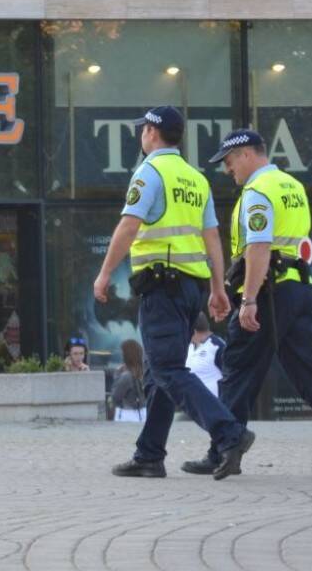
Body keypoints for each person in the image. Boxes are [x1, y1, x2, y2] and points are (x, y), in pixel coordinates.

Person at [182, 129, 312, 478]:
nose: (228, 171)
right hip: (298, 290)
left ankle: (222, 450)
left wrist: (249, 300)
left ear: (245, 154)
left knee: (238, 369)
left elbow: (259, 247)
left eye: (228, 162)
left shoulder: (258, 192)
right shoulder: (291, 186)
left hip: (268, 292)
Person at [94, 105, 254, 480]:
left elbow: (129, 226)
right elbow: (212, 235)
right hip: (192, 288)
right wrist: (217, 288)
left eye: (142, 129)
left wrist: (104, 275)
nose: (140, 135)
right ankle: (149, 455)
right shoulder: (195, 178)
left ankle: (229, 433)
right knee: (158, 373)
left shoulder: (149, 173)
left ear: (151, 132)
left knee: (167, 369)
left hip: (162, 286)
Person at [187, 312, 225, 397]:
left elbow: (231, 377)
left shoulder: (217, 346)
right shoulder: (188, 348)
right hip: (192, 407)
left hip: (215, 406)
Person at [111, 339, 148, 421]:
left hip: (127, 414)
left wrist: (117, 375)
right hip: (143, 412)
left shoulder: (126, 376)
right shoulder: (144, 372)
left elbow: (115, 397)